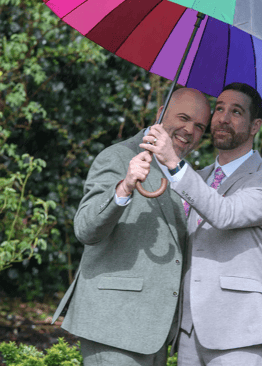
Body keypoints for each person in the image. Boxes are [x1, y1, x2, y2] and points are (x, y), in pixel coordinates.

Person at [51, 88, 211, 366]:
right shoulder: (117, 156)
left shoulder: (184, 173)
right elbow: (86, 229)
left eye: (199, 126)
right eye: (183, 117)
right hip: (114, 326)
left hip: (157, 332)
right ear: (161, 112)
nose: (189, 129)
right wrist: (124, 187)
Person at [142, 82, 262, 366]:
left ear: (255, 125)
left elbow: (224, 214)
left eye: (236, 111)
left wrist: (172, 161)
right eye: (219, 108)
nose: (222, 117)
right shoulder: (197, 177)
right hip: (188, 332)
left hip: (239, 331)